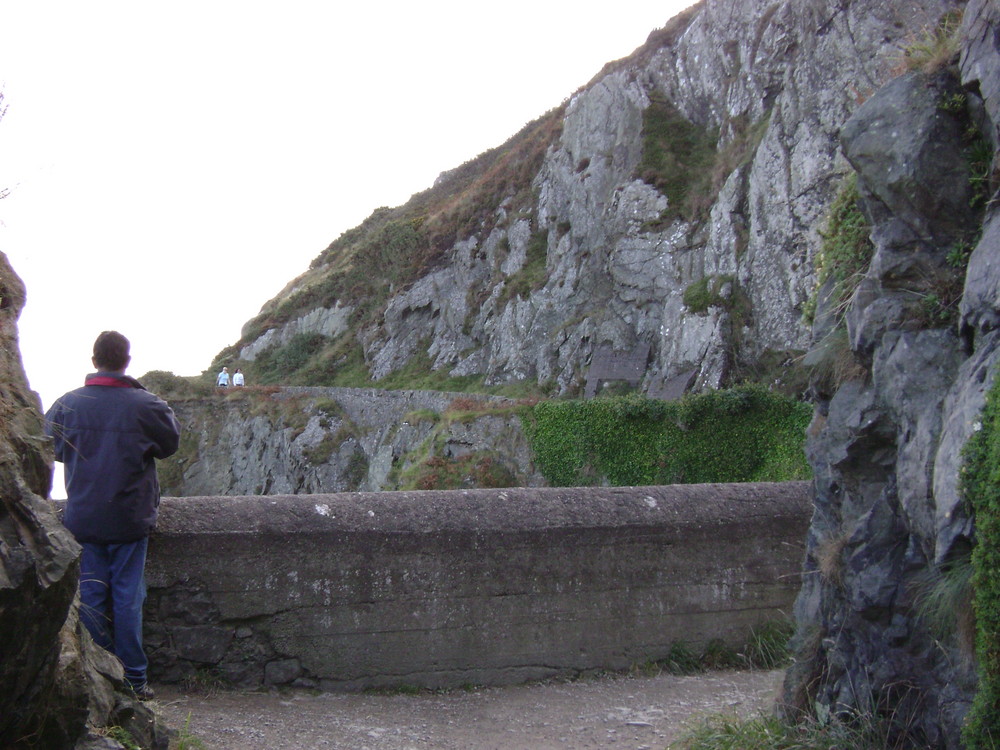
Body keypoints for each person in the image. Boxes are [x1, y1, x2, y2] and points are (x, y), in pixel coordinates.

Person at [45, 331, 181, 700]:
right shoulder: (147, 405)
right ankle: (134, 681)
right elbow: (169, 445)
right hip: (129, 517)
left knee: (90, 596)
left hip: (83, 517)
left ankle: (99, 677)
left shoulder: (67, 405)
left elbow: (50, 447)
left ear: (94, 361)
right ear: (126, 360)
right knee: (127, 598)